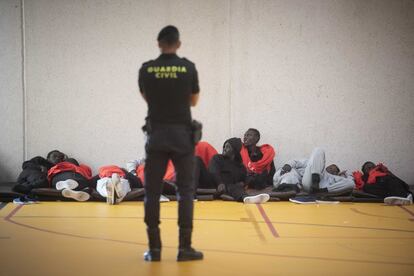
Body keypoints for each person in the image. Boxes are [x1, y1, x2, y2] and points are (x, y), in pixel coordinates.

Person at [138, 25, 202, 262]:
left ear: (158, 43)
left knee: (152, 192)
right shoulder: (187, 68)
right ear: (178, 43)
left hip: (156, 135)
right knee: (185, 191)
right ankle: (185, 248)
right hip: (182, 136)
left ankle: (154, 250)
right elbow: (193, 101)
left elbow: (147, 98)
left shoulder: (147, 69)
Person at [209, 138, 270, 203]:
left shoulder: (240, 166)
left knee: (235, 186)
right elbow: (213, 171)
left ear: (234, 150)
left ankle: (249, 198)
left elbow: (244, 179)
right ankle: (246, 198)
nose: (224, 149)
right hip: (214, 184)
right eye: (224, 146)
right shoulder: (217, 158)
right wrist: (219, 183)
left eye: (227, 147)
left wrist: (244, 183)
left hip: (229, 187)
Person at [273, 147, 355, 195]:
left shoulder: (332, 178)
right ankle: (288, 187)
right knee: (319, 150)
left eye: (334, 171)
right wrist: (288, 165)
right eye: (331, 167)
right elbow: (295, 161)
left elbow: (350, 183)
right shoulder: (312, 163)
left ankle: (321, 191)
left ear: (336, 174)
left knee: (351, 184)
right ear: (325, 165)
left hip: (316, 189)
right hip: (303, 180)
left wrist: (346, 175)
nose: (331, 170)